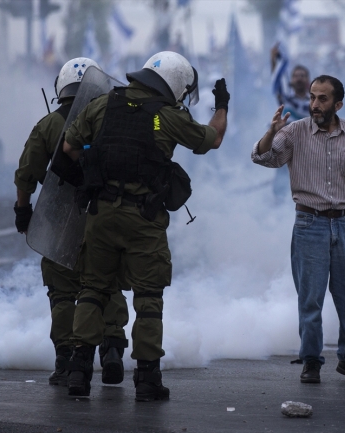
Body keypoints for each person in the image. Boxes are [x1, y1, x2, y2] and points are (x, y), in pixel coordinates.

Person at [61, 51, 229, 399]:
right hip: (143, 219)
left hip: (101, 215)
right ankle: (147, 379)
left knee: (92, 289)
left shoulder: (103, 104)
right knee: (148, 295)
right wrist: (222, 106)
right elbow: (213, 139)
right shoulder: (165, 116)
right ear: (176, 84)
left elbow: (69, 146)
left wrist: (97, 170)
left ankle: (78, 373)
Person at [251, 75, 345, 384]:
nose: (314, 105)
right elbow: (261, 156)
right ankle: (311, 360)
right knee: (311, 299)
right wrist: (271, 132)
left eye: (322, 99)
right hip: (310, 223)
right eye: (312, 98)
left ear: (338, 104)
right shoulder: (293, 132)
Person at [14, 57, 130, 387]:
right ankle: (111, 351)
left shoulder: (48, 125)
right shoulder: (115, 120)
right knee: (105, 284)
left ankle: (66, 361)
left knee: (62, 293)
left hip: (57, 220)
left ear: (61, 88)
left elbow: (25, 177)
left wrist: (23, 213)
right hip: (104, 217)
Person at [270, 43, 311, 200]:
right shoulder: (285, 99)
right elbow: (276, 79)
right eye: (296, 75)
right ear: (292, 80)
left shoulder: (315, 102)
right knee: (280, 191)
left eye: (302, 75)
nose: (299, 78)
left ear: (307, 80)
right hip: (286, 151)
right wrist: (274, 60)